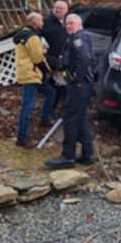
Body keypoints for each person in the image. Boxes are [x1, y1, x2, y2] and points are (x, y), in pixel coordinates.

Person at [45, 13, 96, 169]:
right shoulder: (79, 37)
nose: (68, 26)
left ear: (79, 24)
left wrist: (76, 80)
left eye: (71, 23)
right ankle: (88, 154)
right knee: (79, 118)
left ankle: (67, 156)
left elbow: (85, 59)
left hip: (79, 87)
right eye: (66, 23)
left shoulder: (78, 38)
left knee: (71, 120)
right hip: (82, 86)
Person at [13, 12, 55, 148]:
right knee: (28, 105)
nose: (43, 23)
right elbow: (38, 59)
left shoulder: (24, 34)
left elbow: (32, 52)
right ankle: (21, 137)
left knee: (50, 93)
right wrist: (48, 71)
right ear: (35, 23)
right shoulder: (32, 37)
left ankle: (44, 119)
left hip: (29, 72)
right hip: (31, 74)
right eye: (41, 21)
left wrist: (41, 51)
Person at [41, 0, 69, 123]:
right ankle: (48, 114)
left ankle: (54, 111)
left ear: (66, 11)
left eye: (61, 8)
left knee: (60, 87)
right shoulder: (46, 22)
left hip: (62, 61)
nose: (58, 10)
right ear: (53, 9)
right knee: (53, 88)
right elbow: (38, 36)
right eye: (57, 8)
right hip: (50, 61)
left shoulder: (66, 23)